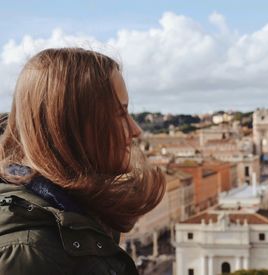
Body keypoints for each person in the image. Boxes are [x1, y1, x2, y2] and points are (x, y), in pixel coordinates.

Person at [0, 48, 166, 274]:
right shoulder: (29, 255)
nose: (135, 130)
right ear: (69, 126)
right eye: (119, 114)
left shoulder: (76, 217)